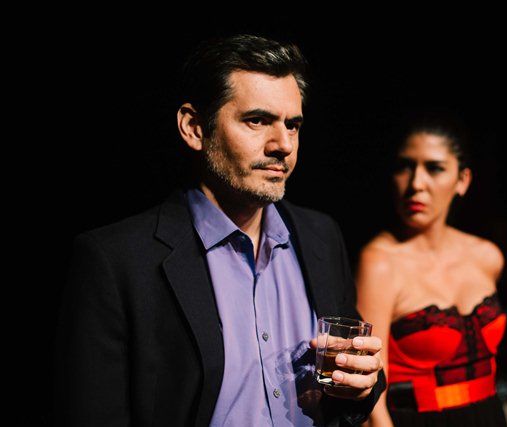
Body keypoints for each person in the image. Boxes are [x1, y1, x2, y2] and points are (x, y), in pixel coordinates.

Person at [54, 33, 385, 427]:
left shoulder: (320, 236)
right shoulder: (117, 261)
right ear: (194, 127)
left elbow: (352, 382)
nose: (283, 144)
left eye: (293, 125)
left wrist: (361, 386)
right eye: (257, 121)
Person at [355, 110, 507, 427]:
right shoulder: (380, 263)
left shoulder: (487, 256)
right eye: (405, 167)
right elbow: (369, 392)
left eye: (434, 168)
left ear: (462, 180)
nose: (416, 184)